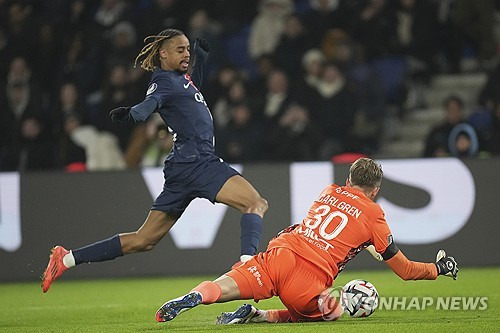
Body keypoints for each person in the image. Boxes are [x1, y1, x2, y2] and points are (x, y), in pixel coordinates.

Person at [41, 29, 268, 293]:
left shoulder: (179, 80)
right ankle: (247, 266)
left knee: (144, 239)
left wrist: (202, 60)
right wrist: (133, 114)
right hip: (198, 163)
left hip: (183, 167)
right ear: (163, 53)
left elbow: (189, 87)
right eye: (180, 50)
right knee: (255, 203)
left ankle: (66, 258)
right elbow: (152, 102)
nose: (186, 54)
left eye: (187, 49)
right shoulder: (164, 82)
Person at [154, 157, 458, 324]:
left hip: (283, 252)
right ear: (375, 191)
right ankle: (261, 316)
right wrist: (438, 268)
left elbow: (330, 225)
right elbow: (404, 270)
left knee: (223, 285)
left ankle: (194, 296)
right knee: (333, 311)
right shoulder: (374, 215)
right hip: (309, 280)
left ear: (349, 180)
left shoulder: (328, 191)